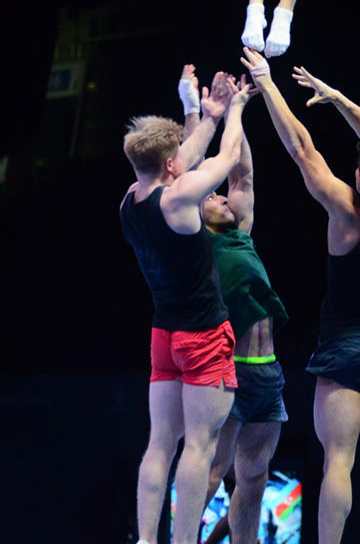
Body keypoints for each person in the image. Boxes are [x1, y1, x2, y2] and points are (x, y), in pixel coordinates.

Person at [240, 48, 360, 544]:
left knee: (338, 462)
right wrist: (341, 99)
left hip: (342, 348)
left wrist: (268, 83)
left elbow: (302, 149)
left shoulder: (347, 212)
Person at [119, 70, 253, 544]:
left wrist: (206, 115)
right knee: (199, 446)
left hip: (164, 337)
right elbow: (228, 158)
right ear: (171, 163)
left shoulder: (129, 201)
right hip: (202, 335)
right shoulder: (180, 200)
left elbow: (183, 158)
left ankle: (147, 540)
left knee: (160, 443)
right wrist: (235, 109)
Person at [178, 65, 289, 544]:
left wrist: (236, 112)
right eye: (213, 196)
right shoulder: (195, 245)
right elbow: (185, 172)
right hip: (227, 370)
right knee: (211, 469)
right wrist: (195, 114)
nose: (224, 197)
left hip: (268, 371)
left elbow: (242, 172)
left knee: (255, 478)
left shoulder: (239, 234)